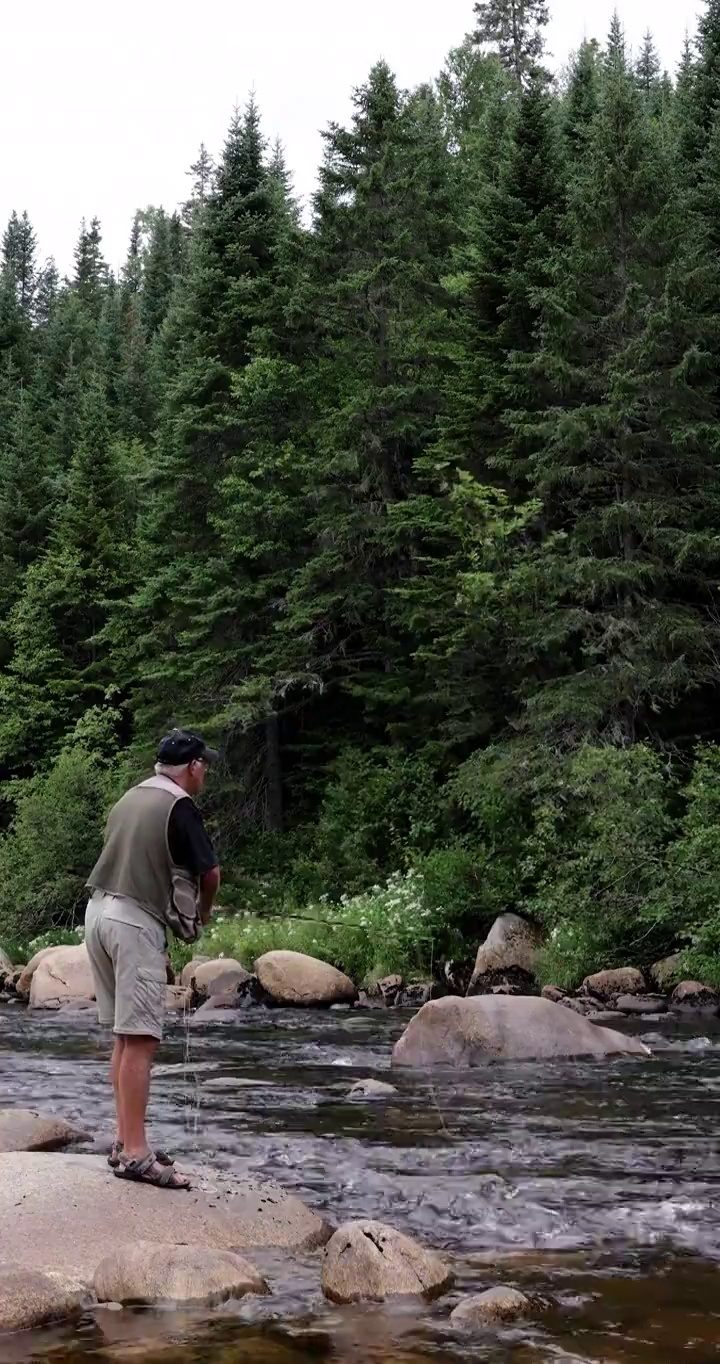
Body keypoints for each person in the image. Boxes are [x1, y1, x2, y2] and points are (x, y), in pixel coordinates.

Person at [85, 729, 221, 1190]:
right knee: (141, 1040)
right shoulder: (179, 805)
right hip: (132, 924)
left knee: (124, 1038)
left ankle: (124, 1143)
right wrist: (200, 915)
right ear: (193, 766)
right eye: (205, 765)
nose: (206, 773)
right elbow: (211, 874)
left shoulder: (129, 798)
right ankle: (138, 1155)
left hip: (97, 914)